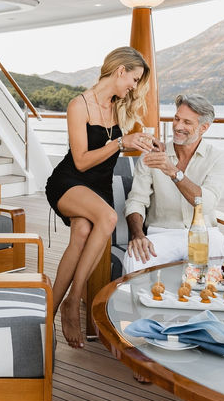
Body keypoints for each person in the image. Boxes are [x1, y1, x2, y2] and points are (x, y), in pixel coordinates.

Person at [46, 47, 153, 348]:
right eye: (133, 79)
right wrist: (121, 142)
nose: (134, 86)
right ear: (120, 71)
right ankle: (73, 300)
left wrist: (140, 142)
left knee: (81, 231)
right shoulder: (78, 105)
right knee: (107, 217)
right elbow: (80, 161)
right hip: (70, 181)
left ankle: (46, 317)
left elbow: (120, 145)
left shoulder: (120, 105)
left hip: (99, 186)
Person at [122, 94, 224, 275]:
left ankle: (207, 302)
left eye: (187, 122)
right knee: (134, 258)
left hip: (205, 234)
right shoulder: (151, 155)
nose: (178, 126)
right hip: (163, 233)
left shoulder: (218, 158)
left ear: (204, 127)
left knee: (217, 249)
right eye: (177, 119)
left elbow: (206, 203)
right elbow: (136, 201)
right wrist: (138, 235)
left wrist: (174, 172)